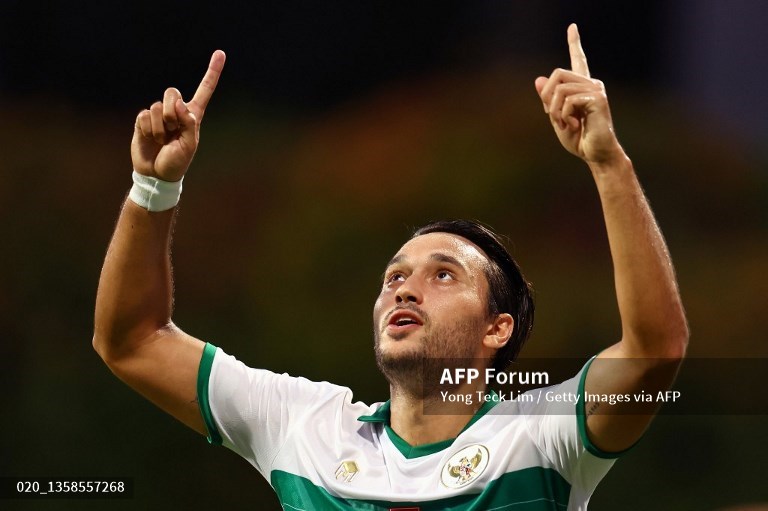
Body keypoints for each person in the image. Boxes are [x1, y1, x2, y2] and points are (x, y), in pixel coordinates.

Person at [93, 24, 688, 510]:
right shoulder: (304, 427)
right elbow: (131, 340)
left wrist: (609, 163)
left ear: (496, 328)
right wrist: (153, 185)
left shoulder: (539, 435)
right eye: (394, 277)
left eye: (444, 274)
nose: (405, 288)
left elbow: (656, 350)